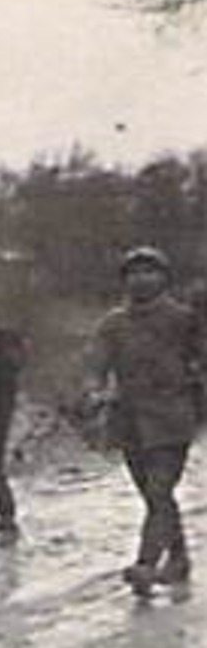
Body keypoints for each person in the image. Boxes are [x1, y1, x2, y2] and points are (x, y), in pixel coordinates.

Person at [85, 246, 203, 596]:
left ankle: (146, 563)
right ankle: (178, 559)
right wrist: (94, 391)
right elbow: (96, 364)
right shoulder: (113, 323)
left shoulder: (184, 319)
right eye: (133, 272)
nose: (141, 279)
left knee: (159, 489)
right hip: (129, 421)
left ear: (165, 277)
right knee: (155, 498)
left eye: (149, 271)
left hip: (172, 417)